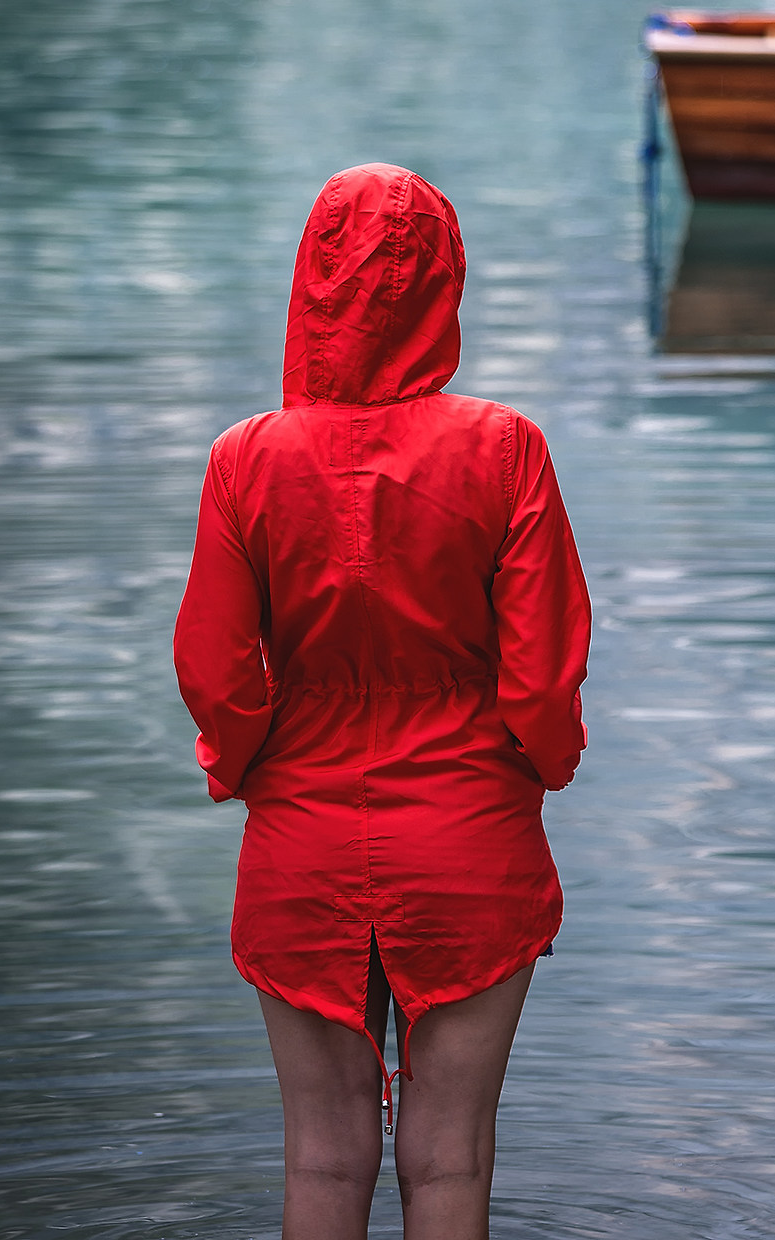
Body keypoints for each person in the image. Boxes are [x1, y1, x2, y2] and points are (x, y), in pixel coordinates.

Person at [174, 164, 590, 1239]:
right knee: (448, 1160)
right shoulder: (505, 448)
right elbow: (543, 676)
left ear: (310, 282)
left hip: (301, 834)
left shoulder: (245, 459)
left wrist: (245, 768)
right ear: (447, 281)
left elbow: (216, 669)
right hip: (469, 830)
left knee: (322, 1157)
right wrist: (534, 767)